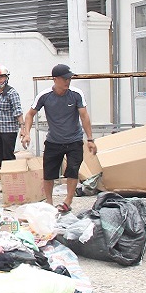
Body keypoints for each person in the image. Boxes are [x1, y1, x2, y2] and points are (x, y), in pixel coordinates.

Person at [21, 63, 96, 213]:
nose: (68, 82)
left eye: (69, 78)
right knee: (49, 173)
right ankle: (49, 202)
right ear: (55, 79)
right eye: (65, 79)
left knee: (73, 170)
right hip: (54, 140)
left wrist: (90, 139)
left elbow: (84, 116)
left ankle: (67, 201)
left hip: (74, 139)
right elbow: (30, 114)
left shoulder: (76, 94)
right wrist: (27, 133)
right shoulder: (44, 96)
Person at [0, 65, 25, 164]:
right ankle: (4, 176)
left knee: (8, 156)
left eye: (2, 77)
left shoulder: (12, 93)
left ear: (6, 77)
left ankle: (11, 177)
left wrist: (23, 128)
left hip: (9, 130)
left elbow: (18, 111)